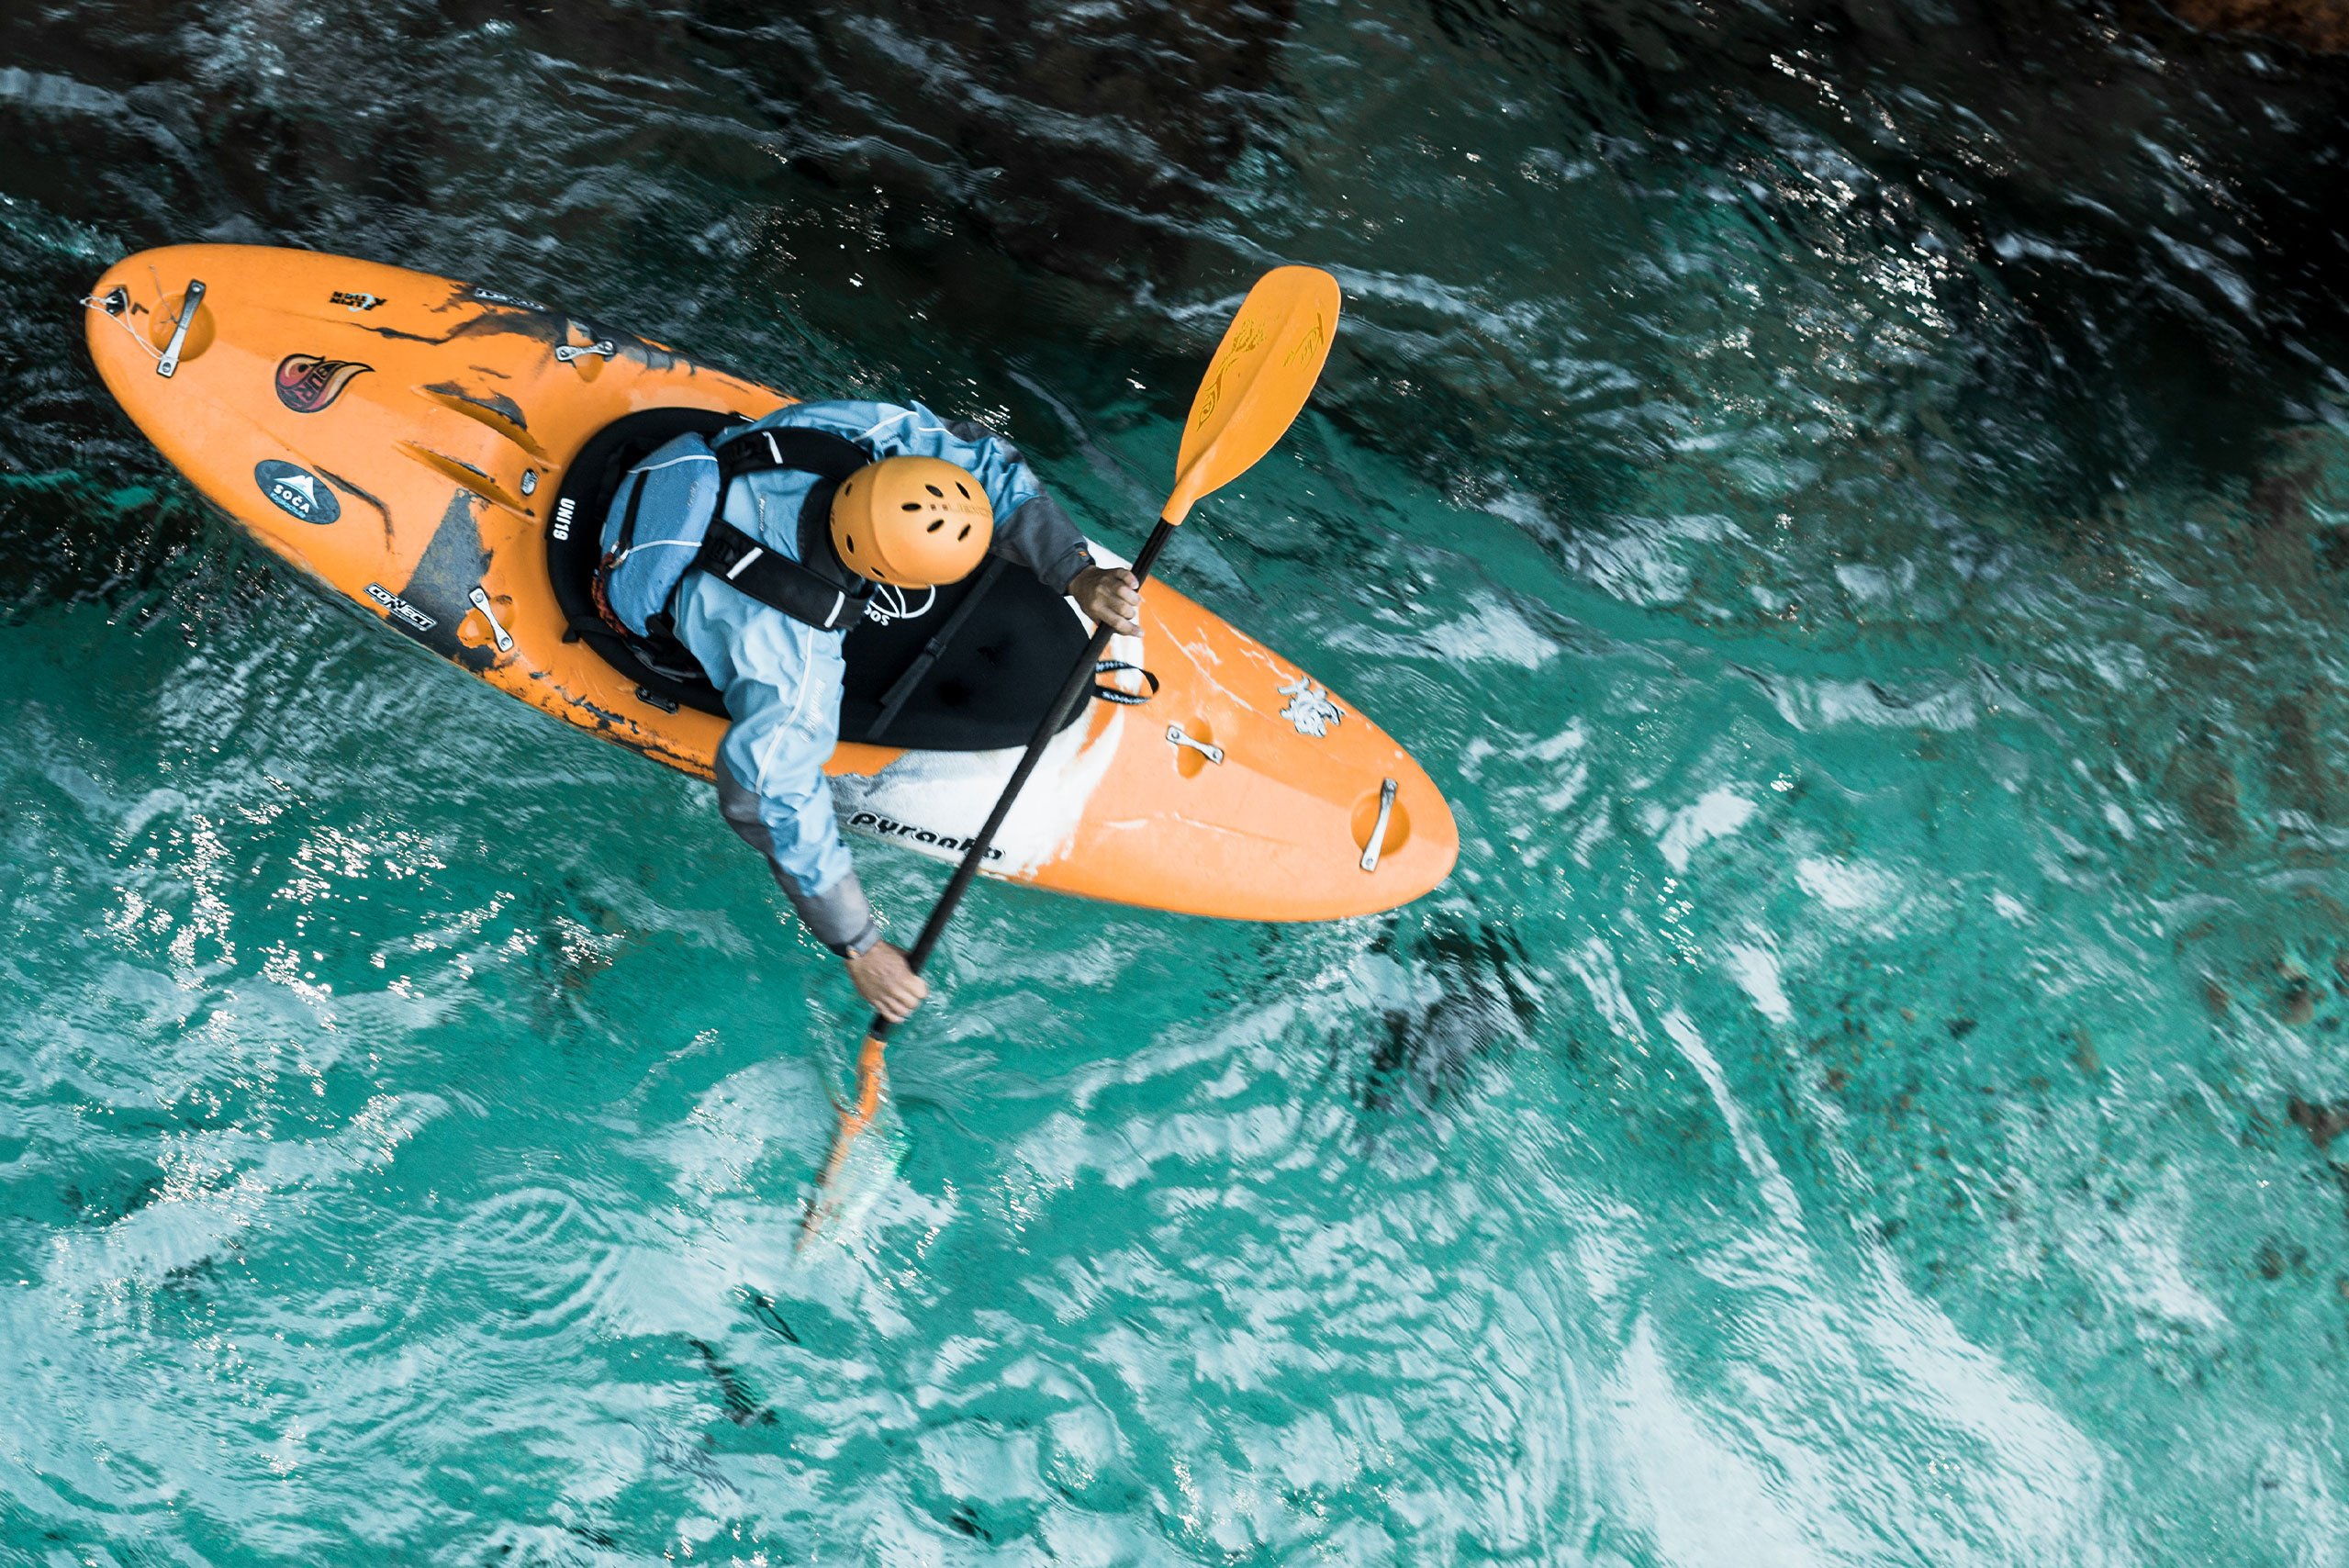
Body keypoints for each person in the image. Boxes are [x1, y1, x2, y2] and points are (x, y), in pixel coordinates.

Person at [594, 400, 1140, 1023]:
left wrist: (1077, 573)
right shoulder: (793, 668)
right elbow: (767, 795)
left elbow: (970, 455)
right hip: (665, 595)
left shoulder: (828, 431)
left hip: (691, 470)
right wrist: (858, 945)